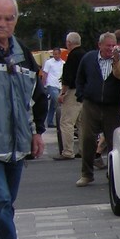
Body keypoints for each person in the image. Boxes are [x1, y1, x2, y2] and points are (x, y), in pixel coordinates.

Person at [0, 0, 47, 239]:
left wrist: (37, 132)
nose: (2, 24)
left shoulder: (23, 53)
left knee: (7, 205)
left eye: (8, 18)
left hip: (17, 147)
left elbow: (38, 98)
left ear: (16, 20)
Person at [74, 32, 120, 187]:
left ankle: (113, 174)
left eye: (113, 45)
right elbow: (80, 77)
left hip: (113, 106)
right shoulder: (89, 58)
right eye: (107, 45)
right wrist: (81, 95)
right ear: (100, 45)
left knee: (112, 141)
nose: (110, 49)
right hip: (91, 104)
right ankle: (86, 174)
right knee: (87, 138)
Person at [54, 31, 85, 160]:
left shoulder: (72, 56)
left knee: (66, 122)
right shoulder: (85, 54)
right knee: (82, 123)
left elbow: (67, 77)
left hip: (73, 91)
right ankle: (83, 150)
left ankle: (67, 151)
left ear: (69, 43)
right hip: (84, 92)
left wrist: (62, 93)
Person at [41, 47, 65, 128]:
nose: (55, 55)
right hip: (51, 84)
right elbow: (45, 74)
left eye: (57, 54)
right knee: (56, 100)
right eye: (54, 54)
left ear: (60, 54)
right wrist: (43, 85)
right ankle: (59, 120)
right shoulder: (49, 62)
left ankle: (50, 121)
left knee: (53, 104)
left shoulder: (63, 63)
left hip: (60, 85)